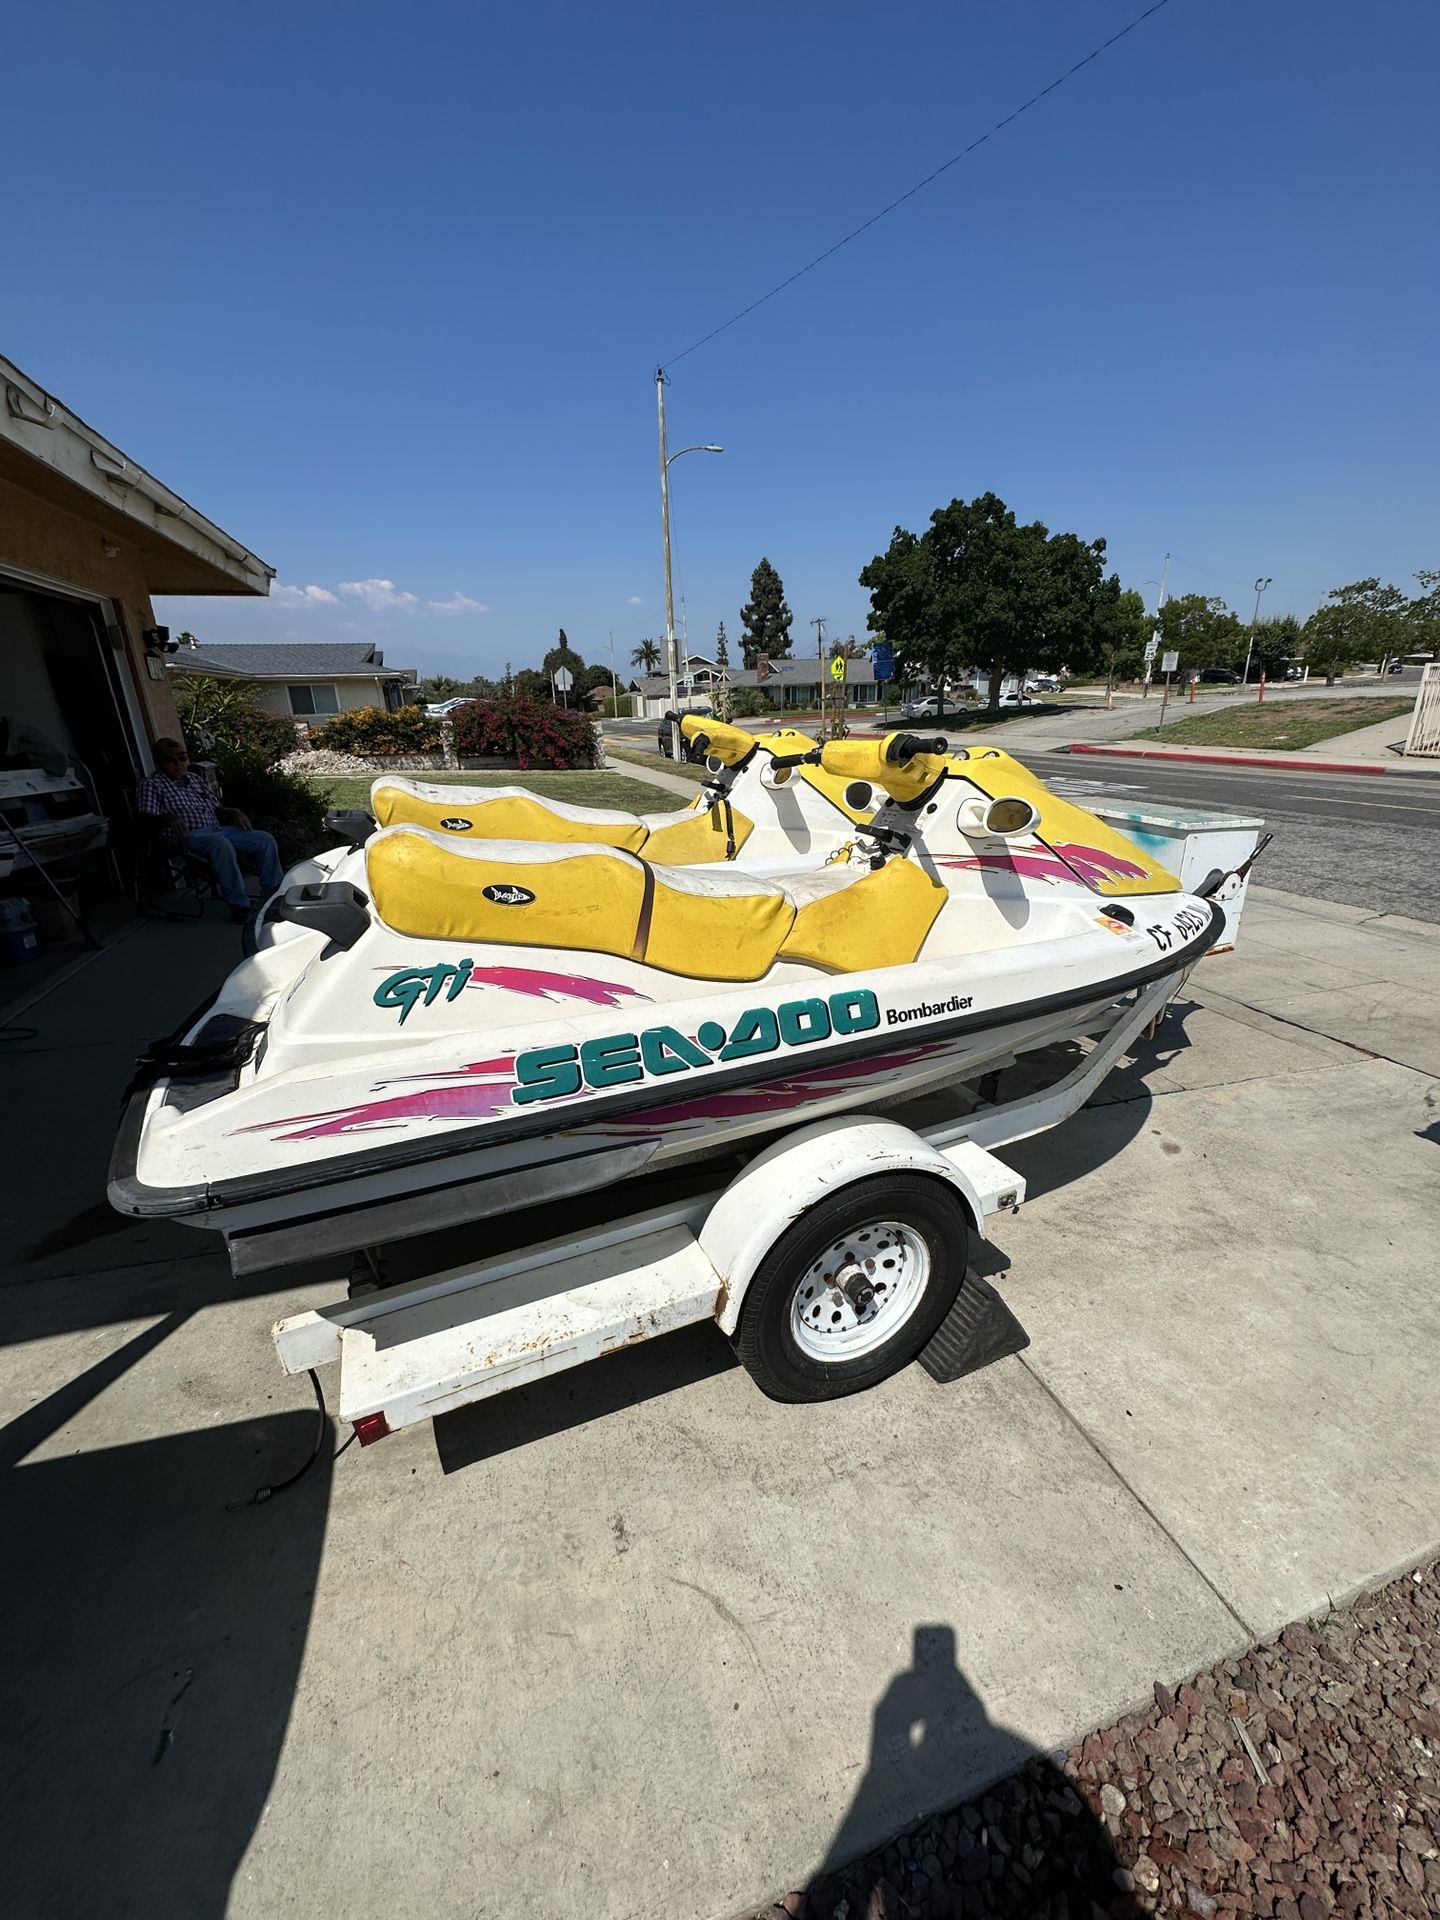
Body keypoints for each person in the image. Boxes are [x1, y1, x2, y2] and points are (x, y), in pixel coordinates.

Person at [137, 738, 283, 920]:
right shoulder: (151, 784)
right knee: (220, 844)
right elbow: (145, 820)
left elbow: (216, 809)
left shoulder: (194, 779)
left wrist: (233, 812)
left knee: (264, 839)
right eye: (170, 760)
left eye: (182, 758)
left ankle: (273, 897)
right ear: (159, 762)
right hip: (182, 837)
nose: (178, 764)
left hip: (215, 830)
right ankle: (239, 906)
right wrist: (166, 818)